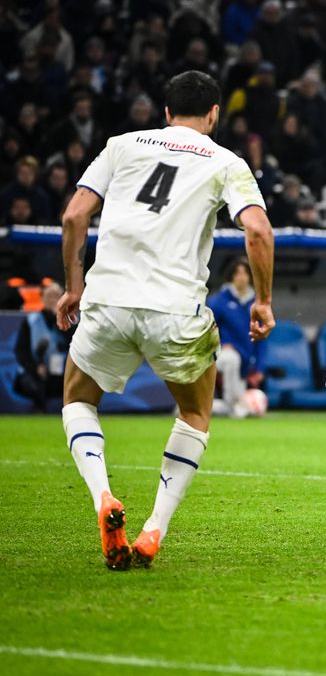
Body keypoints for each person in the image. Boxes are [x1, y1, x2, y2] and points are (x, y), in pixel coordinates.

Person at [56, 70, 276, 570]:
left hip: (108, 300)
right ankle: (154, 528)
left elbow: (74, 217)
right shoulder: (226, 161)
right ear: (214, 114)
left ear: (165, 111)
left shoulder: (120, 144)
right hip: (176, 310)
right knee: (195, 415)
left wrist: (73, 287)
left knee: (77, 400)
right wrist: (262, 300)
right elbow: (258, 231)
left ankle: (103, 498)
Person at [207, 257, 264, 417]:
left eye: (245, 273)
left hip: (245, 358)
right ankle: (233, 409)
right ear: (231, 276)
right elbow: (207, 327)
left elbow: (261, 338)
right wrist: (221, 343)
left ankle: (190, 409)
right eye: (237, 273)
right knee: (232, 359)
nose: (241, 277)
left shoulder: (258, 304)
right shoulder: (218, 301)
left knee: (238, 401)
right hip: (221, 354)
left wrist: (259, 367)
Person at [14, 281, 69, 411]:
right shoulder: (31, 320)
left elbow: (74, 343)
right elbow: (21, 351)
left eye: (57, 296)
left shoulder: (70, 320)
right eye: (49, 296)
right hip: (36, 371)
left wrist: (60, 318)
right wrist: (35, 368)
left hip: (62, 371)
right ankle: (39, 410)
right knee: (31, 383)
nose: (53, 300)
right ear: (42, 298)